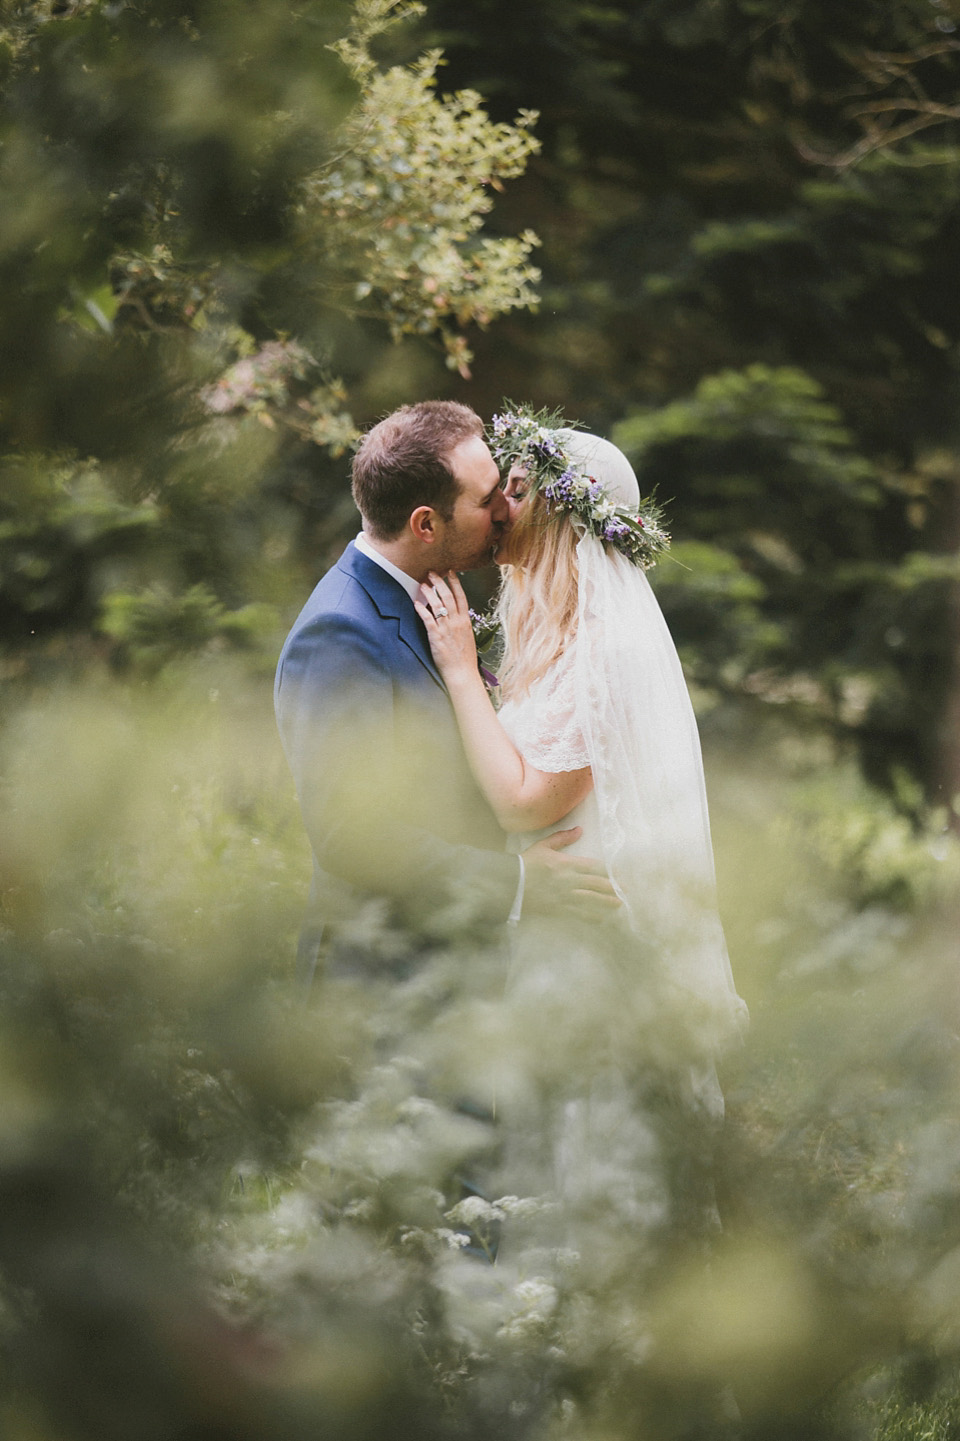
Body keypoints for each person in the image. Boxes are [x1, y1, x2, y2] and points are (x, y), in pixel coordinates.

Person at [414, 413, 747, 1262]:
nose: (499, 508)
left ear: (564, 515)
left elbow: (527, 801)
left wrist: (458, 671)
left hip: (588, 952)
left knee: (587, 1173)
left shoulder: (600, 650)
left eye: (518, 492)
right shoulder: (549, 637)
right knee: (536, 1168)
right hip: (549, 932)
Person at [273, 401, 619, 992]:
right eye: (487, 500)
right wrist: (515, 885)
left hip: (451, 978)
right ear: (426, 524)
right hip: (380, 989)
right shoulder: (339, 632)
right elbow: (352, 835)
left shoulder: (433, 597)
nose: (507, 510)